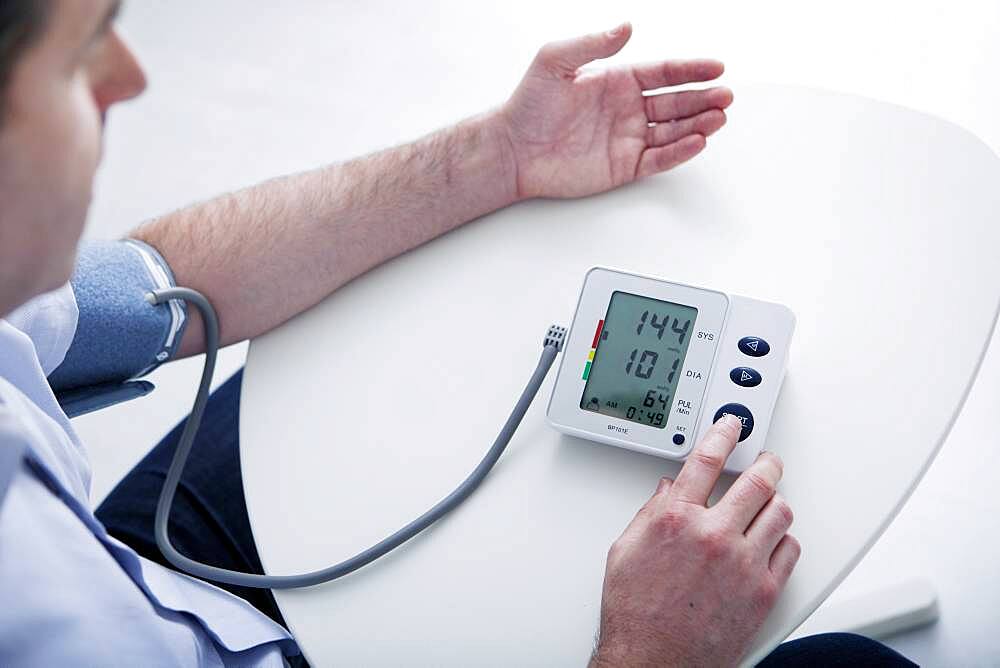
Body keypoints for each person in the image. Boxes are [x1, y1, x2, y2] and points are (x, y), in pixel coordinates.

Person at [0, 1, 916, 665]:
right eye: (79, 58)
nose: (131, 74)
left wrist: (499, 158)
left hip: (139, 568)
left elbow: (153, 288)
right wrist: (652, 649)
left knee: (342, 337)